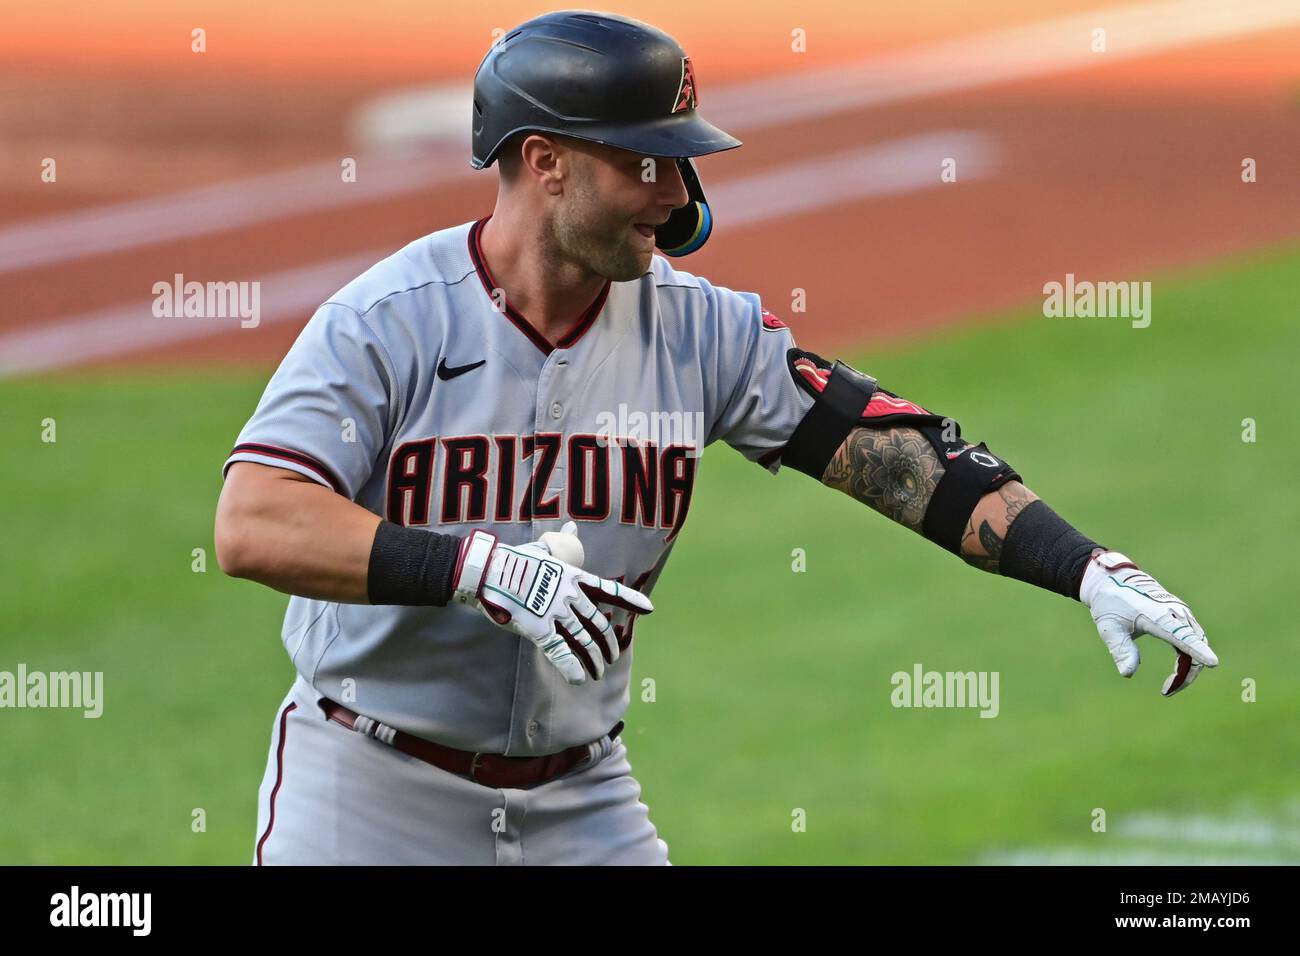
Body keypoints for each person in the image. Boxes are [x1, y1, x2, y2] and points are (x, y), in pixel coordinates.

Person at [214, 11, 1216, 866]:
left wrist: (1083, 566)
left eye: (680, 160)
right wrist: (472, 567)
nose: (677, 194)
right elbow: (254, 522)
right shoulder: (387, 320)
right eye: (644, 162)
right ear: (544, 162)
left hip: (581, 800)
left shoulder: (699, 328)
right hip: (371, 791)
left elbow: (890, 450)